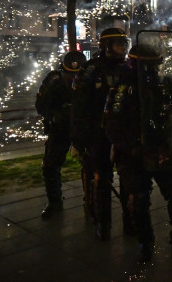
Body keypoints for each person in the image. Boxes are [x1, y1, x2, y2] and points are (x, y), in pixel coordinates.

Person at [104, 44, 172, 265]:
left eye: (155, 65)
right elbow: (110, 123)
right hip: (133, 152)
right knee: (138, 200)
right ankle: (145, 244)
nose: (154, 70)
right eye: (149, 66)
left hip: (162, 147)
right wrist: (132, 146)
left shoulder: (163, 83)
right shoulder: (122, 87)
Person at [71, 27, 129, 241]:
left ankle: (130, 221)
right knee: (101, 181)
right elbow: (78, 108)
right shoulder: (90, 70)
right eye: (118, 44)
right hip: (99, 135)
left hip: (123, 135)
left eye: (124, 44)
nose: (122, 48)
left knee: (128, 180)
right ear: (106, 46)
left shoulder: (128, 68)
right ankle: (102, 224)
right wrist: (78, 140)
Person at [36, 50, 87, 218]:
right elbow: (41, 106)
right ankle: (55, 202)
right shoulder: (54, 81)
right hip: (60, 128)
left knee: (92, 166)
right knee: (50, 165)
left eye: (76, 76)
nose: (73, 79)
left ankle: (93, 202)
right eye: (69, 75)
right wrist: (58, 113)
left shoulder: (89, 78)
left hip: (83, 127)